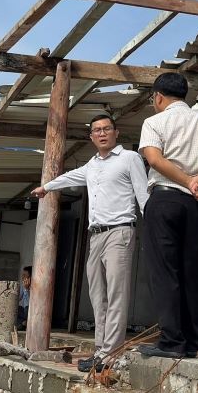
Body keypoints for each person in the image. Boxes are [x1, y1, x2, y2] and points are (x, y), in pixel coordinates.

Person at [32, 114, 148, 372]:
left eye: (107, 129)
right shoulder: (93, 164)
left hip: (120, 232)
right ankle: (101, 350)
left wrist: (153, 229)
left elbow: (143, 195)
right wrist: (47, 187)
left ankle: (111, 353)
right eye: (97, 130)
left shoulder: (130, 158)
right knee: (97, 295)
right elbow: (70, 177)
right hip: (95, 235)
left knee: (116, 293)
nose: (102, 133)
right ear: (92, 137)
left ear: (116, 132)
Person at [137, 73, 198, 359]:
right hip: (197, 204)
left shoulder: (155, 121)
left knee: (165, 271)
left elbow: (154, 158)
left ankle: (171, 341)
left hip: (165, 198)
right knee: (192, 270)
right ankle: (191, 341)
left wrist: (186, 180)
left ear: (158, 97)